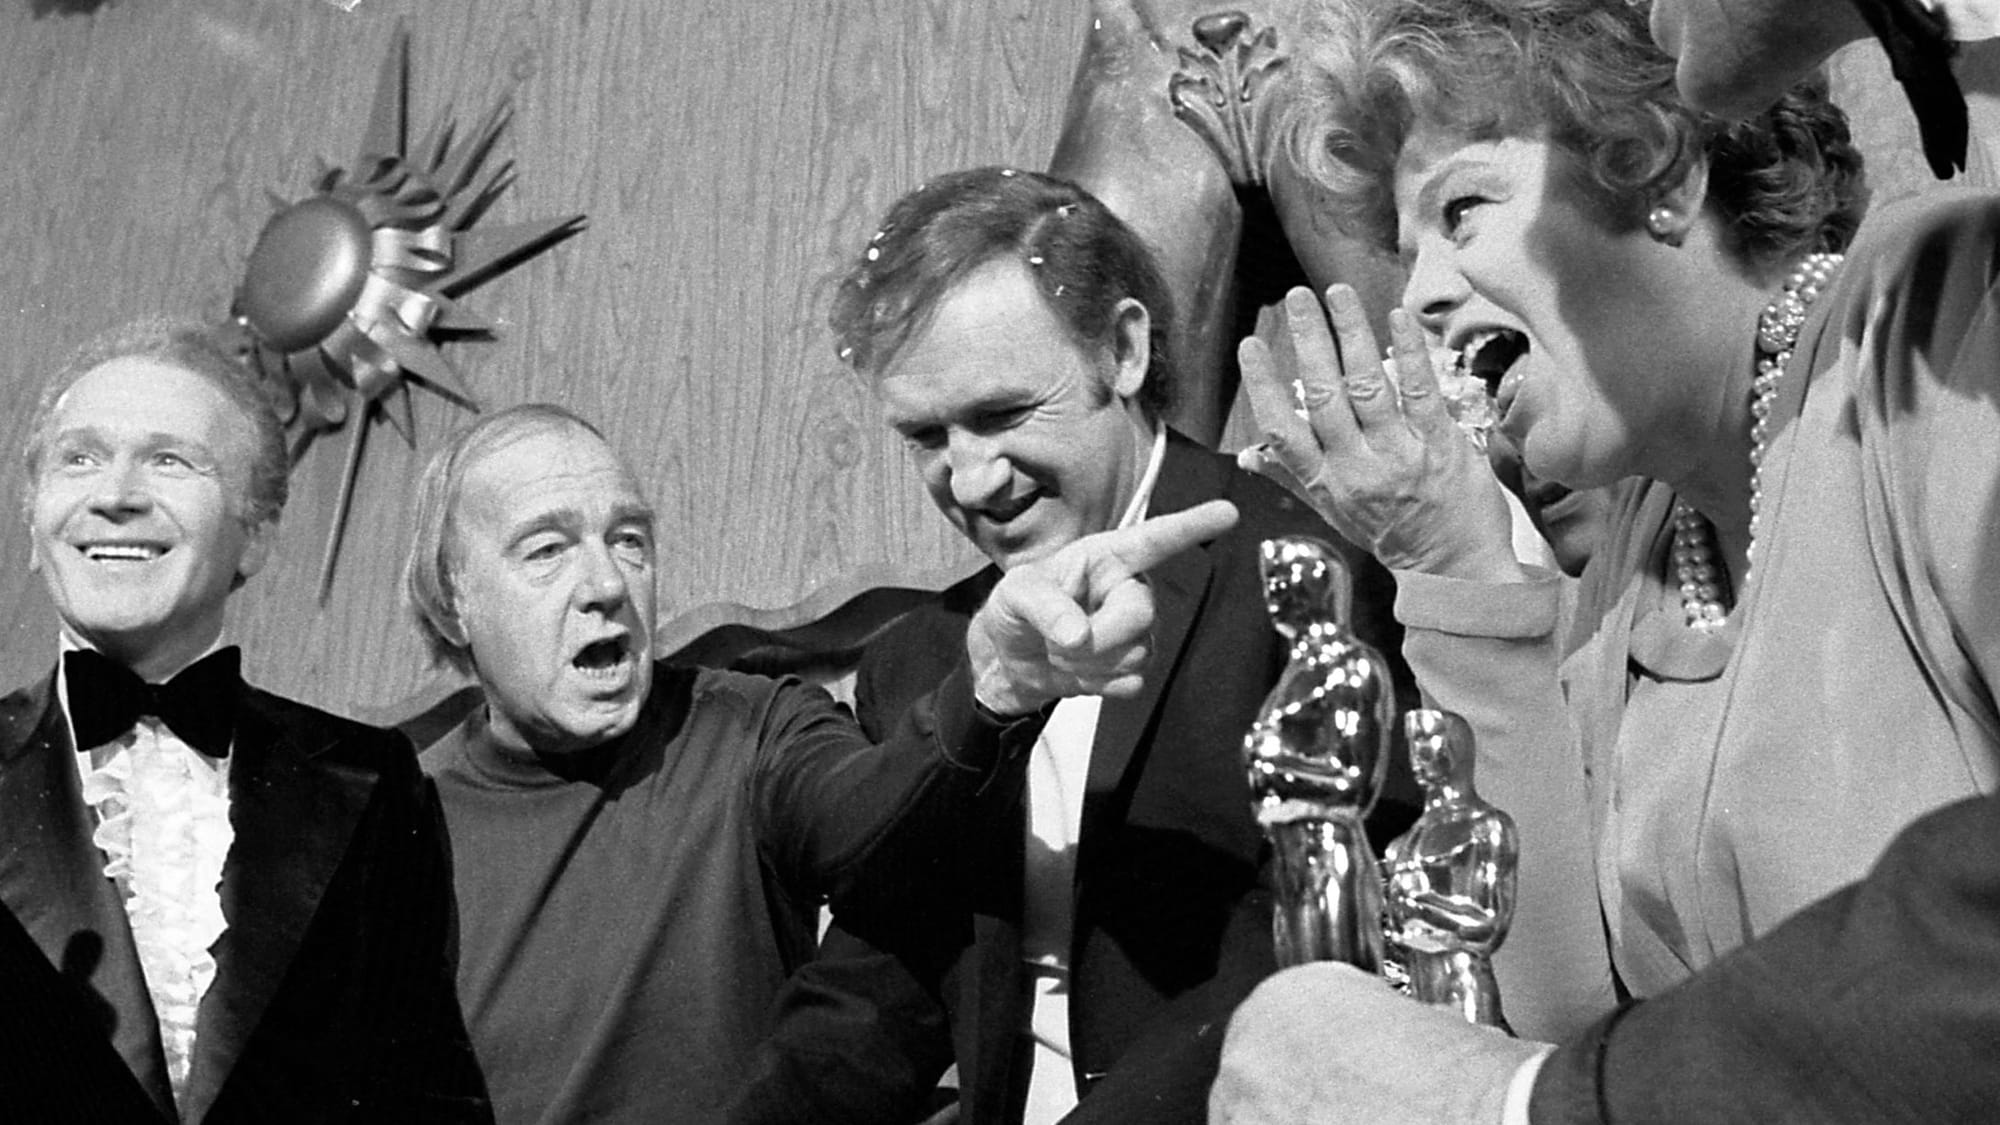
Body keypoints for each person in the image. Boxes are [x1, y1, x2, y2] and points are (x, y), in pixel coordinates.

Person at [1211, 0, 2000, 1115]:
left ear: (1663, 178)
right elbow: (1562, 1027)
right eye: (1404, 250)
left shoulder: (1940, 327)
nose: (1421, 291)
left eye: (1462, 209)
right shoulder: (1641, 544)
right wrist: (1449, 554)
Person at [734, 166, 1429, 1125]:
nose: (971, 480)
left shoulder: (1302, 571)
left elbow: (1319, 946)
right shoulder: (924, 661)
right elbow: (872, 987)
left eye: (1001, 415)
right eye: (927, 436)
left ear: (1125, 349)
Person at [407, 402, 1234, 1124]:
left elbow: (872, 817)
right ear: (453, 599)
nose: (606, 584)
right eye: (545, 550)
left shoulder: (747, 726)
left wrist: (993, 690)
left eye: (630, 540)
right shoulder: (400, 828)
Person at [0, 318, 488, 1122]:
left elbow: (430, 1100)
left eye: (168, 459)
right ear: (32, 523)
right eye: (79, 457)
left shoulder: (372, 784)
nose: (115, 494)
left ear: (254, 536)